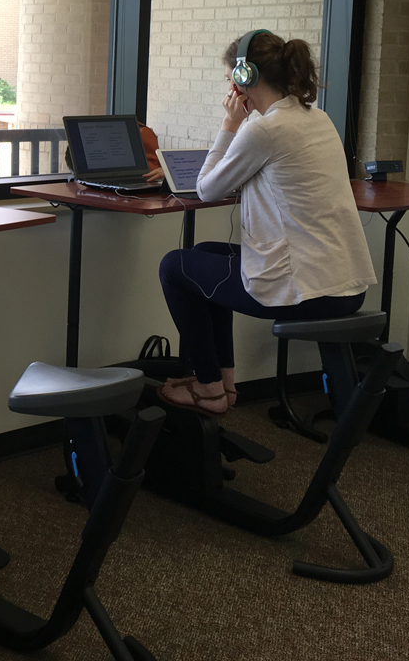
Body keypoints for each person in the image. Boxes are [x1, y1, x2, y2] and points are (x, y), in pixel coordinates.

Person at [155, 30, 376, 416]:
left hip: (307, 293)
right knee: (205, 255)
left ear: (245, 77)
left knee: (174, 266)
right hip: (347, 285)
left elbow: (205, 189)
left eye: (229, 78)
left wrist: (229, 125)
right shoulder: (316, 118)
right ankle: (223, 384)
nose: (228, 88)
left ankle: (209, 390)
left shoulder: (263, 128)